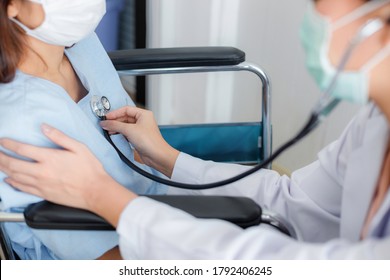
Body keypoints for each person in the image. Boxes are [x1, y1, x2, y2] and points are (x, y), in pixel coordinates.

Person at [1, 0, 390, 259]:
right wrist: (170, 160)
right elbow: (296, 200)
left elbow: (257, 263)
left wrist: (103, 196)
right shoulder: (16, 117)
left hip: (151, 220)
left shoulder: (79, 44)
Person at [0, 0, 167, 260]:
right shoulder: (20, 120)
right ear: (12, 6)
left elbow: (129, 157)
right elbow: (102, 259)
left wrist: (165, 158)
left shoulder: (79, 41)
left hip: (153, 200)